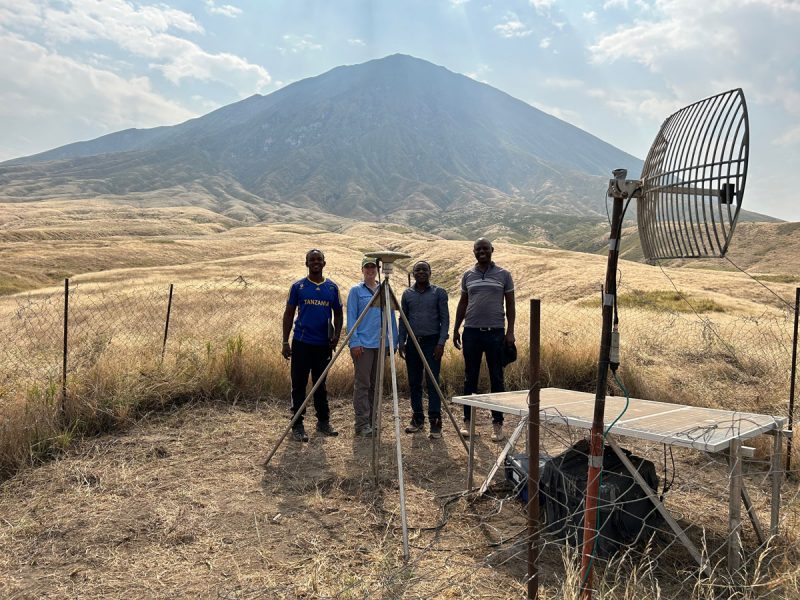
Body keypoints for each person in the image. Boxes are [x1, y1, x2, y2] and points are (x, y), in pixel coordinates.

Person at [452, 238, 515, 443]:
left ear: (492, 251)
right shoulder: (468, 275)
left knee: (497, 377)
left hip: (496, 332)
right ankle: (468, 422)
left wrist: (510, 332)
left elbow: (511, 305)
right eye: (478, 249)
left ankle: (497, 424)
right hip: (471, 332)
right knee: (470, 377)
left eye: (485, 249)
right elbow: (463, 302)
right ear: (473, 251)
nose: (482, 252)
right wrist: (456, 328)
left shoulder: (504, 275)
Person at [282, 249, 343, 442]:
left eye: (319, 260)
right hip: (301, 343)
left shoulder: (332, 288)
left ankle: (323, 422)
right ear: (306, 263)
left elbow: (339, 314)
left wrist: (336, 336)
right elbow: (289, 314)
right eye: (312, 260)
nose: (315, 262)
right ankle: (297, 424)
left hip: (323, 345)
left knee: (320, 384)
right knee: (298, 384)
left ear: (324, 263)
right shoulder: (298, 287)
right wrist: (285, 341)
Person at [347, 256, 398, 437]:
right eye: (366, 268)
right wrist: (355, 342)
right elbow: (352, 317)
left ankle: (372, 421)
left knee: (376, 385)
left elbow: (391, 316)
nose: (370, 271)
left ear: (377, 270)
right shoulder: (355, 291)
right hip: (363, 345)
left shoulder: (384, 289)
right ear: (362, 270)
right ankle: (361, 424)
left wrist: (394, 341)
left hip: (381, 343)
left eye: (372, 267)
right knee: (363, 384)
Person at [398, 261, 449, 439]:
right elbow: (403, 319)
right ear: (413, 273)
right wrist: (401, 341)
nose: (421, 272)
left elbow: (445, 320)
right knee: (414, 383)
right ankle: (417, 419)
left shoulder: (439, 293)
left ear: (430, 272)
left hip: (432, 343)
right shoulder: (407, 294)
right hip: (412, 343)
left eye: (424, 269)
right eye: (417, 270)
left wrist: (441, 343)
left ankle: (435, 422)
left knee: (433, 382)